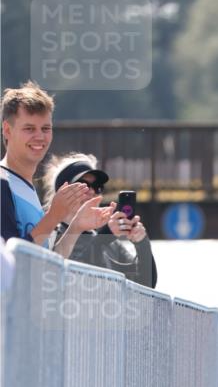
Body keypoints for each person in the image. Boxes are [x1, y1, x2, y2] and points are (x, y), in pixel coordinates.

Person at [1, 81, 114, 256]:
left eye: (46, 128)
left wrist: (76, 227)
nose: (39, 137)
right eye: (29, 128)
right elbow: (11, 260)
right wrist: (54, 216)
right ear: (7, 130)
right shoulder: (3, 184)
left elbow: (47, 263)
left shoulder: (25, 187)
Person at [42, 153, 158, 287]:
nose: (92, 191)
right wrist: (106, 236)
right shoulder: (49, 234)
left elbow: (146, 284)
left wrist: (141, 243)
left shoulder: (109, 242)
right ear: (62, 192)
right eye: (83, 185)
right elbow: (71, 279)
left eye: (97, 186)